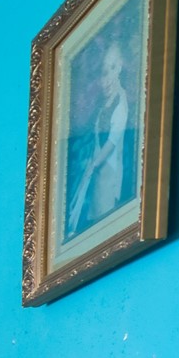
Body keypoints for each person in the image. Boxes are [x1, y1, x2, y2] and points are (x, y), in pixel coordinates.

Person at [66, 39, 132, 240]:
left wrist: (93, 164)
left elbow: (112, 142)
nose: (107, 78)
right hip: (97, 175)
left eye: (112, 68)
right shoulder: (105, 104)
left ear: (119, 67)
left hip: (108, 176)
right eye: (104, 71)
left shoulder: (121, 103)